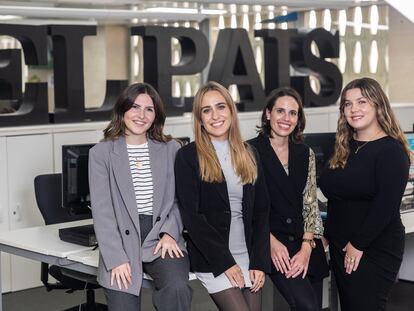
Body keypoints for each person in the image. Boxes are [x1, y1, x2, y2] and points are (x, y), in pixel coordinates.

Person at [88, 82, 192, 311]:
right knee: (123, 303)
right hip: (121, 239)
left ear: (156, 115)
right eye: (134, 107)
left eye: (149, 109)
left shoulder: (171, 149)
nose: (141, 115)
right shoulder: (101, 153)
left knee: (177, 288)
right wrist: (116, 259)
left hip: (160, 235)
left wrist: (169, 233)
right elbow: (103, 212)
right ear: (122, 110)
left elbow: (179, 200)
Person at [174, 81, 271, 311]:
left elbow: (261, 212)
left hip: (248, 256)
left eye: (220, 107)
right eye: (206, 110)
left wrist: (259, 262)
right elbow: (193, 218)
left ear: (230, 110)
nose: (215, 115)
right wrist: (226, 263)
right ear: (199, 118)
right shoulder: (187, 157)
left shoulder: (249, 153)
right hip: (214, 259)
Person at [319, 77, 411, 311]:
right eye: (347, 104)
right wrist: (327, 233)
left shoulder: (391, 150)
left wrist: (357, 245)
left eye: (361, 102)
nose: (354, 109)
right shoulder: (339, 146)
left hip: (374, 246)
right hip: (341, 244)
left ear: (378, 105)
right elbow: (335, 196)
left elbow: (386, 206)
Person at [248, 87, 329, 311]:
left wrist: (307, 245)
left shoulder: (305, 153)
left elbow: (311, 201)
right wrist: (269, 242)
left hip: (305, 243)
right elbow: (247, 208)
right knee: (307, 306)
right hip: (275, 243)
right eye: (280, 111)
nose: (286, 118)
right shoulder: (248, 151)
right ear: (268, 114)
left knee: (314, 305)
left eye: (292, 113)